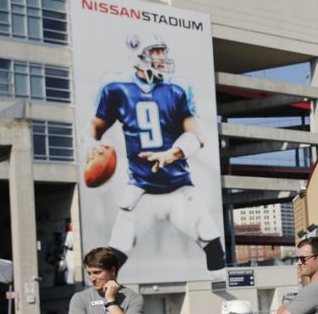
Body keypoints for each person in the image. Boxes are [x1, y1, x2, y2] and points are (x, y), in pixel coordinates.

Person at [90, 35, 225, 271]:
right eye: (156, 52)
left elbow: (197, 134)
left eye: (163, 51)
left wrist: (173, 152)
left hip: (179, 187)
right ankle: (104, 305)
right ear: (138, 54)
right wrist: (89, 143)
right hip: (140, 189)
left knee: (215, 252)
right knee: (111, 262)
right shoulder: (118, 89)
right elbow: (96, 126)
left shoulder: (175, 90)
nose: (162, 58)